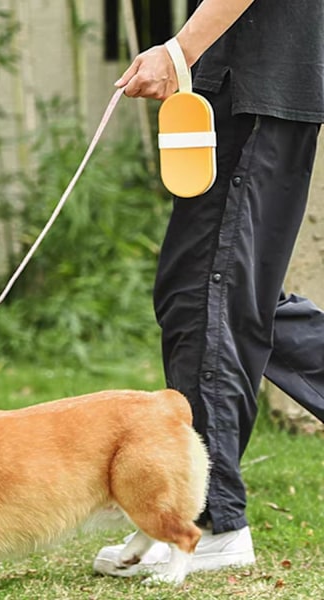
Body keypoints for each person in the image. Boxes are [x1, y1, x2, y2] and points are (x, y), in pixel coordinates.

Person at [93, 0, 324, 578]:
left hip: (252, 81)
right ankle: (192, 506)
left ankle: (211, 520)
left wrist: (180, 51)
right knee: (233, 298)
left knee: (207, 299)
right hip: (253, 82)